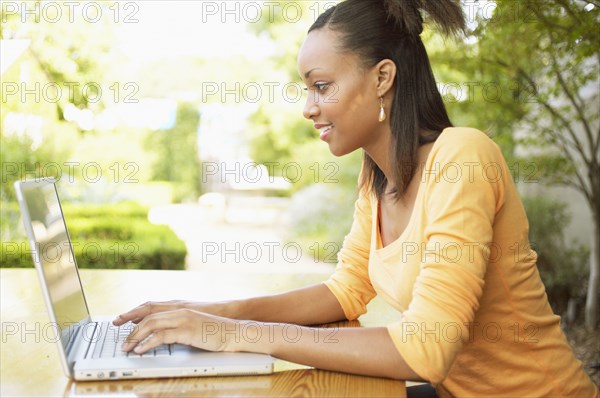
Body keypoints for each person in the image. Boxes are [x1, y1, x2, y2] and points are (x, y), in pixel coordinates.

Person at [113, 0, 598, 396]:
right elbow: (345, 291)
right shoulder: (378, 179)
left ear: (382, 78)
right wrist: (211, 313)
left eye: (322, 86)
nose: (308, 108)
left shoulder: (463, 157)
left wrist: (231, 334)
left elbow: (426, 352)